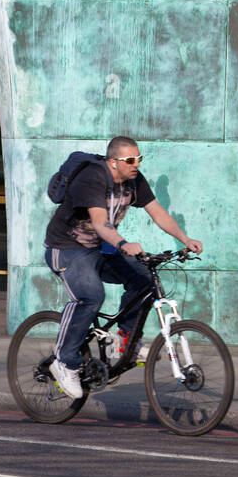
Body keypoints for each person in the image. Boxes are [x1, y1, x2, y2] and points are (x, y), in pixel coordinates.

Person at [44, 135, 202, 399]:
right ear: (113, 161)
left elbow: (157, 212)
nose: (136, 164)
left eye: (138, 159)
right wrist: (123, 243)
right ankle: (65, 361)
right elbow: (99, 222)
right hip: (67, 248)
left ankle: (125, 342)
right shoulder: (93, 177)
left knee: (144, 280)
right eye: (130, 160)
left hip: (101, 248)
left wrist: (185, 239)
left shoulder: (133, 180)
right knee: (91, 296)